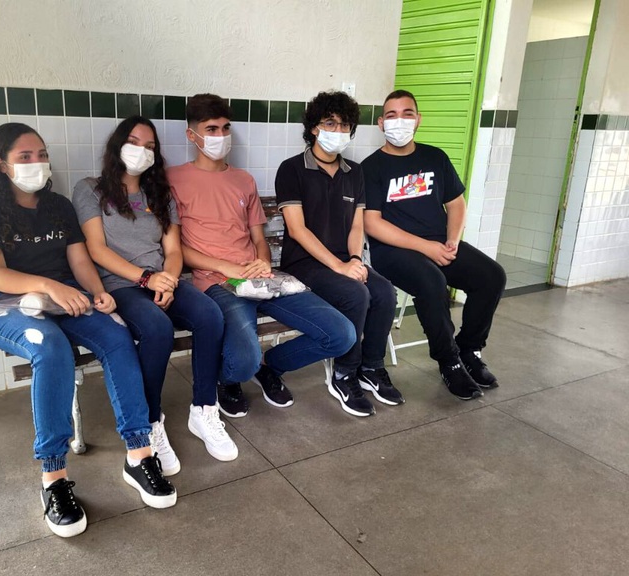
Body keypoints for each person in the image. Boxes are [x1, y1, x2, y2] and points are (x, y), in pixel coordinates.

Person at [0, 123, 176, 539]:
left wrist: (99, 294)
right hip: (4, 305)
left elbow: (80, 261)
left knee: (117, 337)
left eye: (42, 154)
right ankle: (54, 477)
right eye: (25, 156)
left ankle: (139, 454)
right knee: (52, 349)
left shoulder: (59, 205)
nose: (37, 162)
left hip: (66, 297)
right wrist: (49, 286)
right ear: (1, 164)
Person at [167, 93, 356, 418]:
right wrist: (226, 267)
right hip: (217, 284)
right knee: (243, 361)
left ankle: (270, 366)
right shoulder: (174, 180)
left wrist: (264, 262)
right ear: (191, 135)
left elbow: (258, 238)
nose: (220, 136)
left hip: (262, 278)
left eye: (225, 128)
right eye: (211, 129)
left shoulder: (243, 180)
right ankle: (229, 378)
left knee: (342, 334)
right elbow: (174, 247)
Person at [72, 116, 238, 470]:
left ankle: (204, 409)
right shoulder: (90, 189)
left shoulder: (160, 195)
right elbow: (96, 249)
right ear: (117, 145)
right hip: (121, 286)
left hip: (161, 280)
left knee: (210, 315)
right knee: (157, 328)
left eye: (149, 147)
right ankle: (150, 422)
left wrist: (169, 280)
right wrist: (146, 279)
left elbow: (173, 250)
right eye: (133, 142)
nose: (141, 151)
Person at [362, 90, 506, 400]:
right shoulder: (370, 167)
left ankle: (469, 350)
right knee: (432, 281)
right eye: (391, 115)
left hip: (440, 243)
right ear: (381, 123)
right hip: (393, 250)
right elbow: (372, 223)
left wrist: (452, 239)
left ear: (418, 120)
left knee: (492, 276)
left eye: (407, 113)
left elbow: (456, 203)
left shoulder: (435, 157)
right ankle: (449, 360)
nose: (400, 121)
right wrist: (425, 247)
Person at [275, 91, 401, 417]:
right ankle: (345, 373)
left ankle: (371, 367)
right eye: (330, 123)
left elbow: (357, 226)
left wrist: (355, 260)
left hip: (344, 261)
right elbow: (297, 230)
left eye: (345, 125)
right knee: (356, 294)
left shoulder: (354, 172)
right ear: (314, 128)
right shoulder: (291, 169)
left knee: (384, 292)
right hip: (304, 263)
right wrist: (339, 267)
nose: (338, 130)